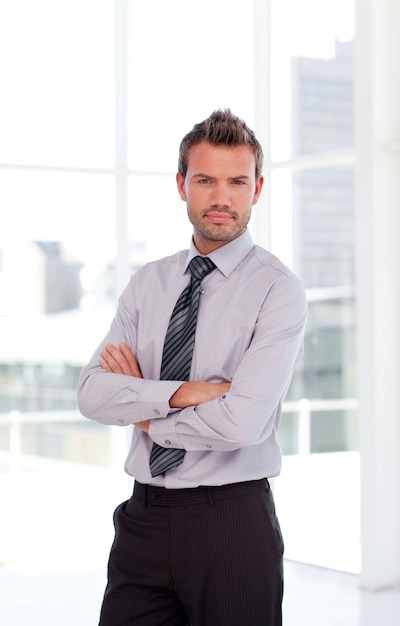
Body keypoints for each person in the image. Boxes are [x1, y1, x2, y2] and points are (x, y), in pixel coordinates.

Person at [77, 108, 307, 626]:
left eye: (236, 182)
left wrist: (141, 406)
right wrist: (188, 392)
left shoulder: (278, 289)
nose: (221, 198)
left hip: (232, 522)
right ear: (182, 185)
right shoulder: (148, 283)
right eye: (205, 180)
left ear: (257, 188)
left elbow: (241, 423)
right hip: (144, 519)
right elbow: (92, 393)